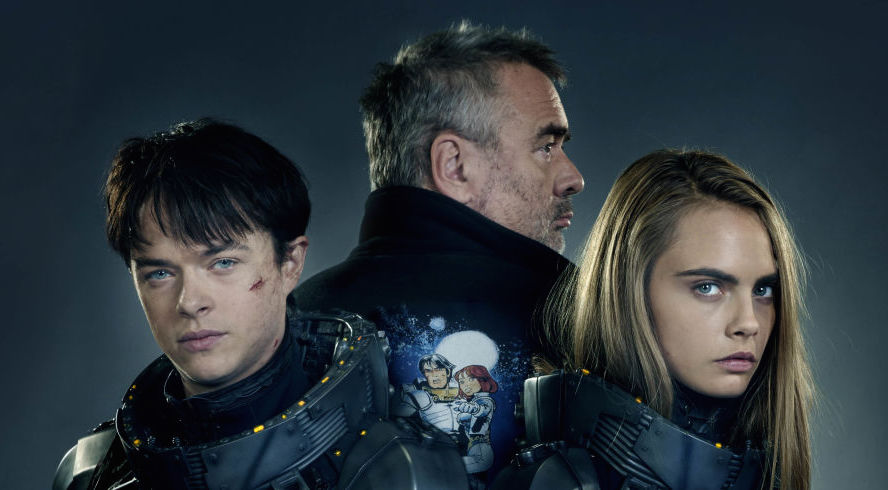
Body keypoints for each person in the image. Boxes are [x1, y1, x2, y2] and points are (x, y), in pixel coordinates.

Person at [53, 119, 467, 490]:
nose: (190, 302)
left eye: (223, 263)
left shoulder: (398, 470)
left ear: (290, 263)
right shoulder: (90, 473)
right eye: (159, 273)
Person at [293, 20, 584, 486]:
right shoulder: (577, 319)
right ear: (454, 165)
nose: (573, 178)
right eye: (546, 147)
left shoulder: (296, 321)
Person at [494, 149, 814, 489]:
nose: (749, 323)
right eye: (707, 287)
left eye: (763, 290)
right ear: (628, 289)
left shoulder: (760, 455)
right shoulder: (557, 479)